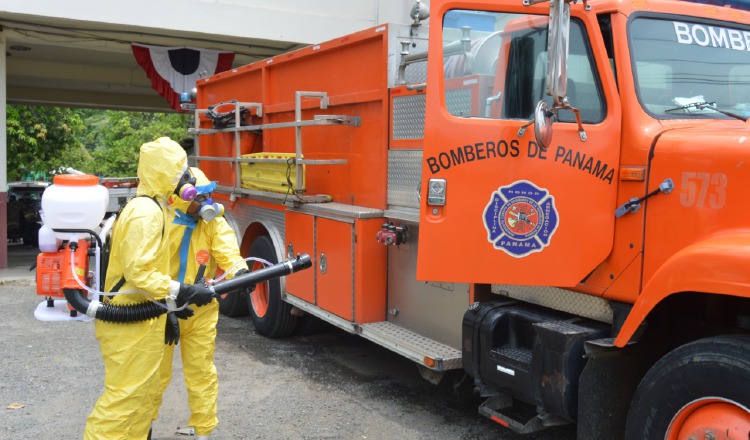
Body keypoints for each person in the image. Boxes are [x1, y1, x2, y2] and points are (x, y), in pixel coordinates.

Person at [84, 137, 215, 439]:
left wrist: (167, 309)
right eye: (181, 174)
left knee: (142, 401)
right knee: (123, 403)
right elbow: (140, 272)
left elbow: (149, 273)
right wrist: (182, 292)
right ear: (164, 175)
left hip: (143, 322)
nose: (187, 180)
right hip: (129, 326)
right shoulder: (145, 213)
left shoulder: (156, 208)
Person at [153, 166, 249, 439]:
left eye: (209, 196)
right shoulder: (161, 220)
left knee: (202, 373)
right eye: (199, 197)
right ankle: (141, 428)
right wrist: (164, 303)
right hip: (161, 308)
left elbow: (228, 252)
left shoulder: (212, 223)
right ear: (183, 196)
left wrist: (240, 272)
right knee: (154, 375)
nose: (206, 204)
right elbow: (145, 269)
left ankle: (202, 431)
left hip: (200, 310)